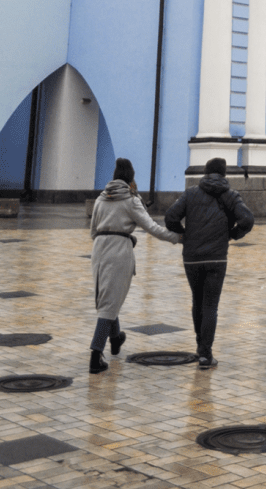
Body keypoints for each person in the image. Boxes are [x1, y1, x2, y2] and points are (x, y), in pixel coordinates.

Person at [89, 157, 181, 375]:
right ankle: (95, 355)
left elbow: (93, 230)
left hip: (98, 248)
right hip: (119, 249)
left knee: (108, 296)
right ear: (130, 177)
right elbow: (152, 227)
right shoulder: (131, 200)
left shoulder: (101, 199)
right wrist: (178, 237)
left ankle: (116, 338)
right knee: (110, 301)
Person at [164, 157, 254, 370]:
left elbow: (170, 218)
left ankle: (200, 346)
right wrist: (232, 235)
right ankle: (205, 355)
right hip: (216, 258)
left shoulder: (191, 193)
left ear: (205, 173)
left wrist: (185, 234)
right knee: (210, 305)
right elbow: (247, 220)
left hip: (192, 258)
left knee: (198, 301)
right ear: (224, 174)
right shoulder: (231, 196)